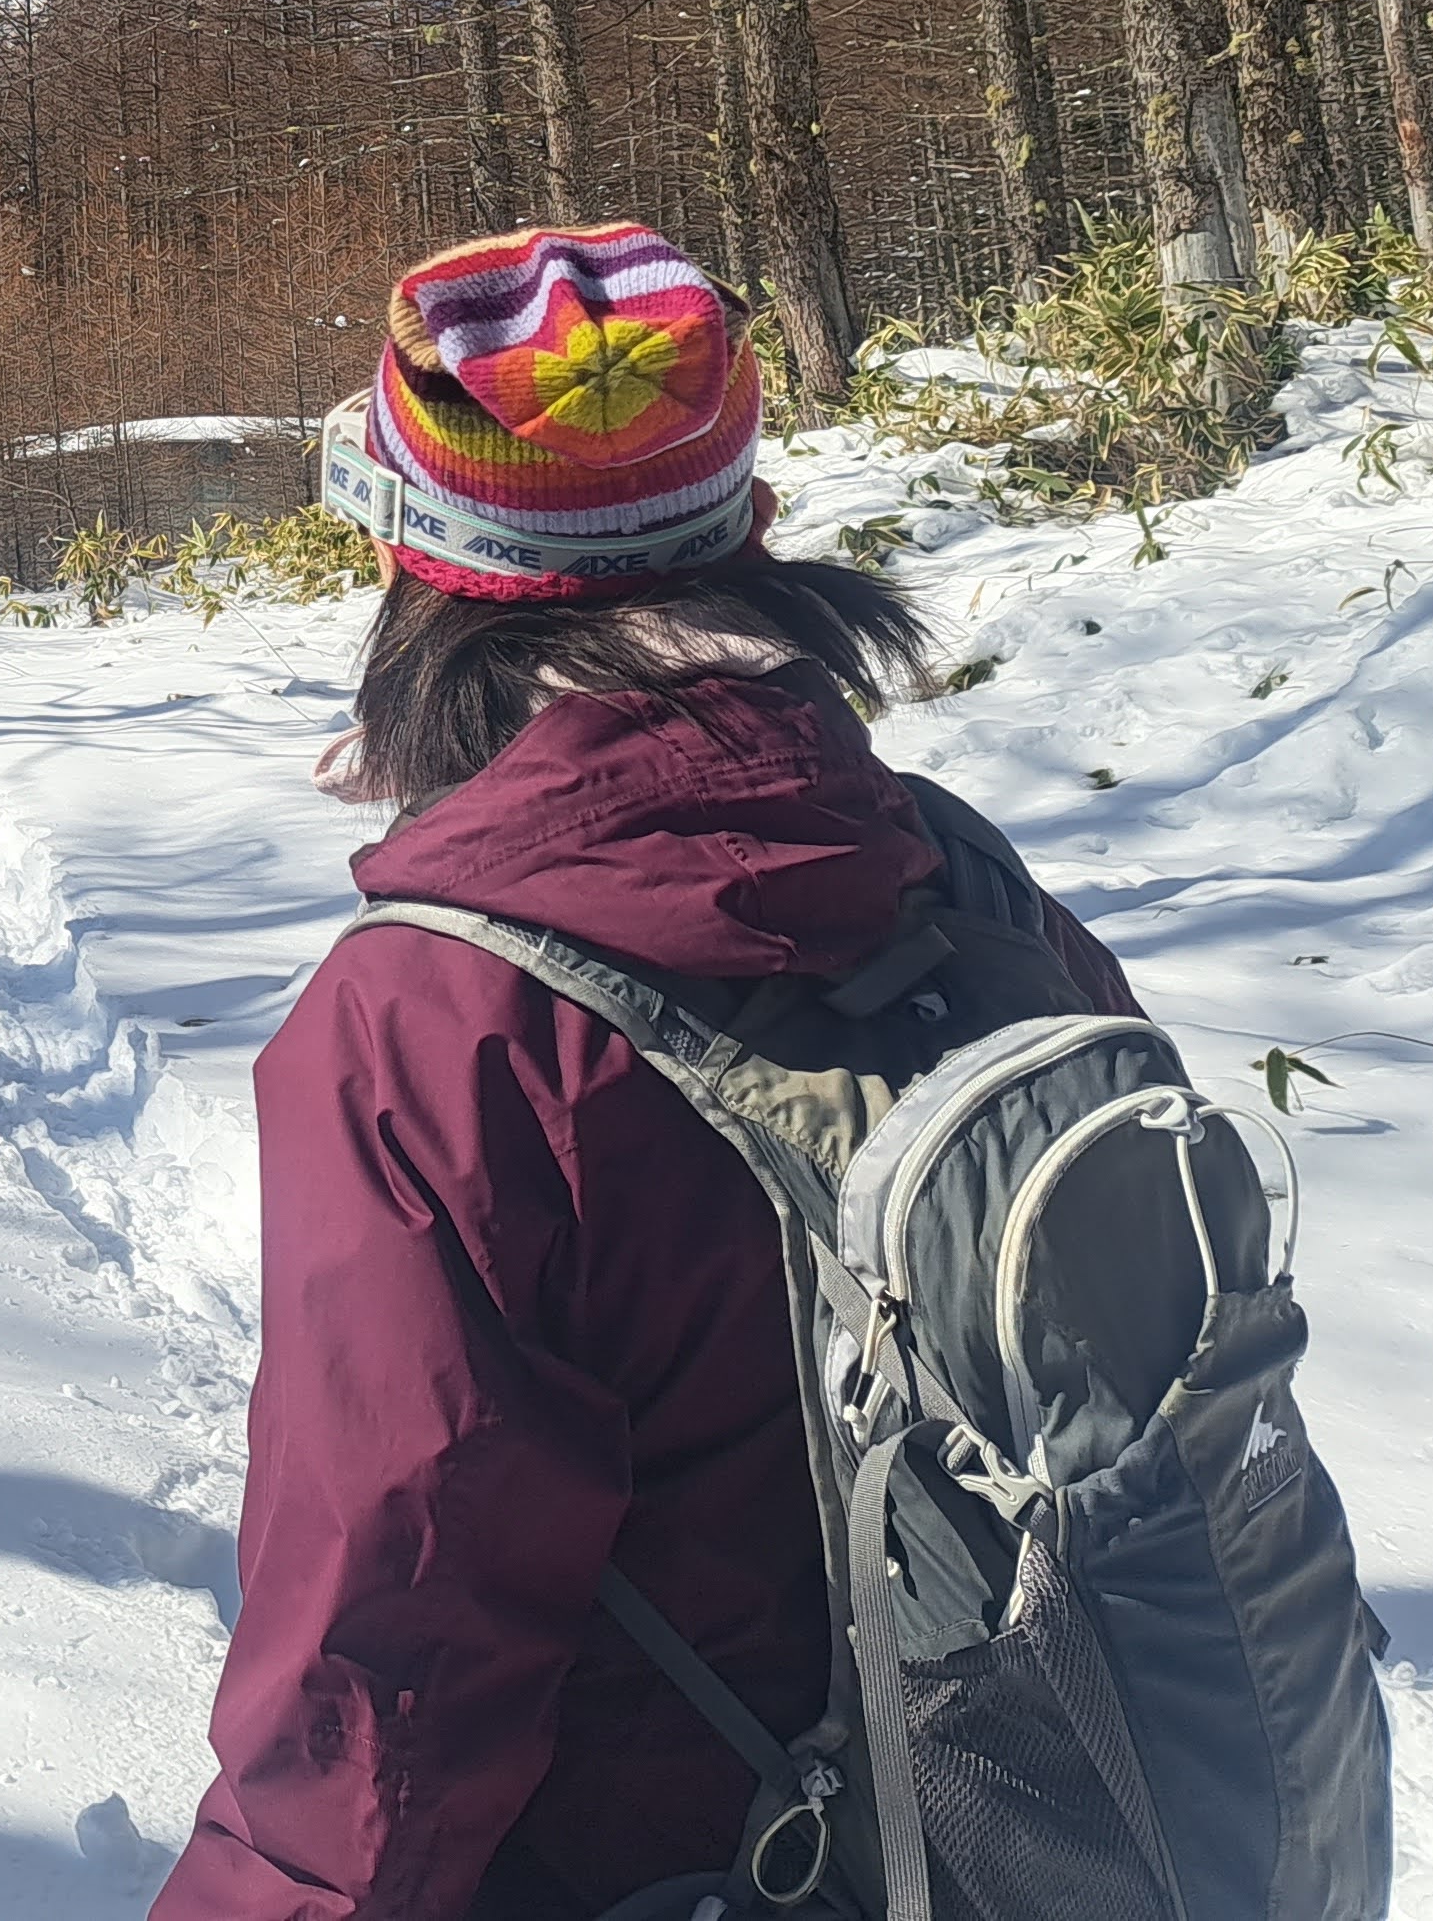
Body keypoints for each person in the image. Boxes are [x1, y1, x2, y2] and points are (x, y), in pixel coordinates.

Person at [154, 222, 1143, 1921]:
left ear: (422, 567)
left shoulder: (434, 1023)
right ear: (751, 528)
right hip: (1038, 1826)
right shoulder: (969, 884)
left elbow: (386, 1645)